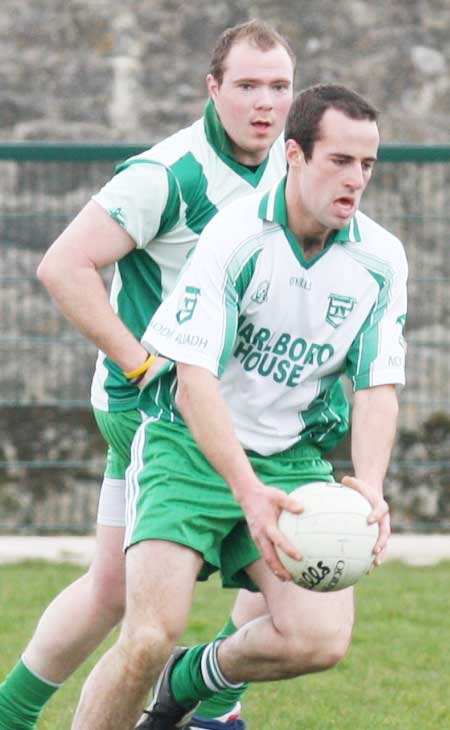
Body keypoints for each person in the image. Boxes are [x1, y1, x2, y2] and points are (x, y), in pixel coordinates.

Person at [68, 83, 408, 730]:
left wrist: (370, 483)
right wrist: (246, 491)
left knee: (319, 640)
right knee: (145, 640)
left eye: (367, 165)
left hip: (291, 460)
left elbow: (376, 386)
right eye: (340, 160)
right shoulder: (236, 235)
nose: (356, 179)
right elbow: (193, 377)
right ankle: (157, 672)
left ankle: (192, 679)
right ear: (295, 156)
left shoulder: (381, 259)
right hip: (187, 446)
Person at [0, 19, 296, 730]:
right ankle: (211, 709)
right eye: (248, 85)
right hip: (153, 410)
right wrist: (141, 363)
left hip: (230, 407)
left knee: (113, 588)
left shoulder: (288, 166)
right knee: (271, 547)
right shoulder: (171, 173)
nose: (265, 101)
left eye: (280, 86)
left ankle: (17, 714)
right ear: (212, 88)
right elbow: (62, 265)